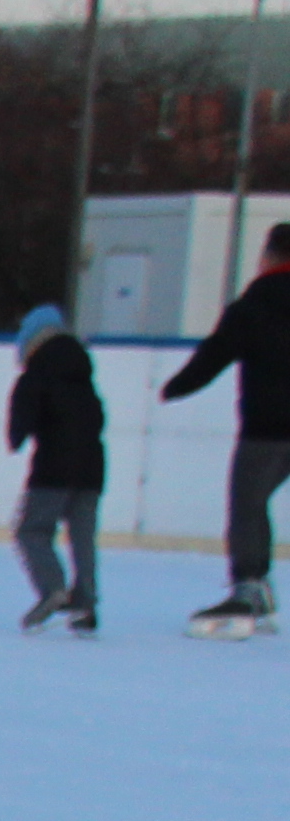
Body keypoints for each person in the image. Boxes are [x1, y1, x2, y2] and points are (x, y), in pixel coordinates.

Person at [154, 216, 288, 636]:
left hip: (267, 428)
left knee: (248, 502)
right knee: (254, 501)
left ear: (268, 258)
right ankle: (258, 590)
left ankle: (250, 587)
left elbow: (214, 356)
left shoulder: (252, 306)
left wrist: (174, 387)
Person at [0, 307, 107, 637]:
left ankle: (53, 589)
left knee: (31, 530)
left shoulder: (34, 376)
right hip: (92, 469)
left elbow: (18, 430)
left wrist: (17, 435)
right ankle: (85, 604)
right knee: (82, 536)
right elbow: (99, 419)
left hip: (53, 468)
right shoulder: (84, 374)